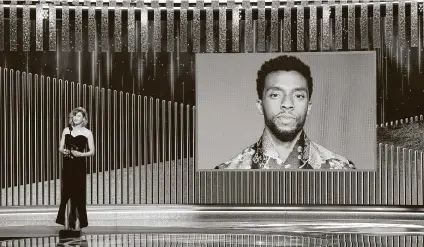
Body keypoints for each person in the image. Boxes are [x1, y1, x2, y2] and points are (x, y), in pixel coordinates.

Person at [215, 55, 355, 170]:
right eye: (275, 95)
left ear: (309, 107)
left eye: (298, 96)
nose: (287, 104)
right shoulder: (226, 173)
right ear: (260, 106)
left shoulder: (342, 170)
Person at [56, 107, 95, 230]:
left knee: (78, 193)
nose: (75, 118)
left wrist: (81, 154)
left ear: (84, 118)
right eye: (74, 115)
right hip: (68, 164)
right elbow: (60, 148)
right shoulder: (66, 130)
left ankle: (77, 222)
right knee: (67, 192)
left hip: (79, 165)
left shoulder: (87, 132)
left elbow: (92, 151)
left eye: (78, 116)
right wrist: (64, 151)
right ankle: (66, 220)